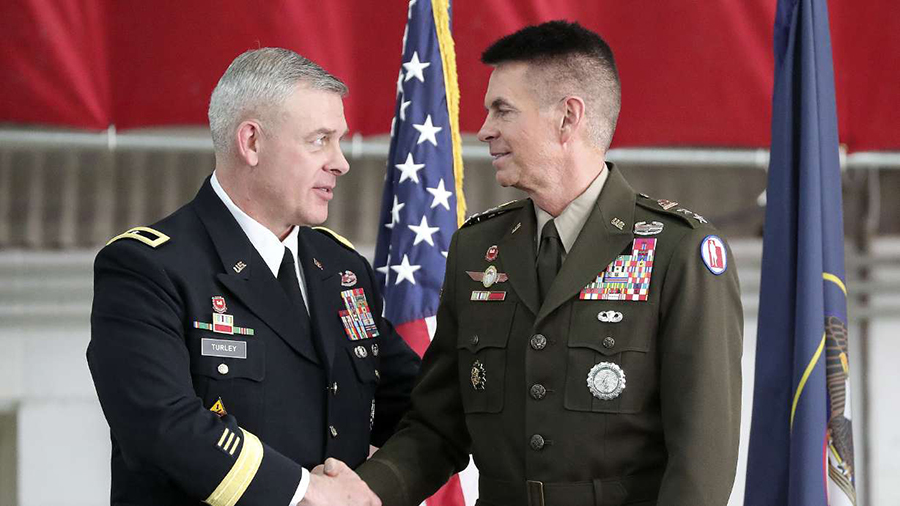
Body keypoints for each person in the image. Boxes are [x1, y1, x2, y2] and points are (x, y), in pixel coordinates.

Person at [353, 21, 744, 505]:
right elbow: (437, 427)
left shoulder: (679, 252)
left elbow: (700, 467)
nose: (484, 130)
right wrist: (362, 492)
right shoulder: (476, 250)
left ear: (567, 118)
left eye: (503, 110)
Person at [87, 48, 420, 506]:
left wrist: (375, 484)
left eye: (338, 141)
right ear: (252, 143)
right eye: (319, 140)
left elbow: (418, 404)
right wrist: (305, 492)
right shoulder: (147, 268)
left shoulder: (343, 269)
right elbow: (160, 424)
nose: (341, 162)